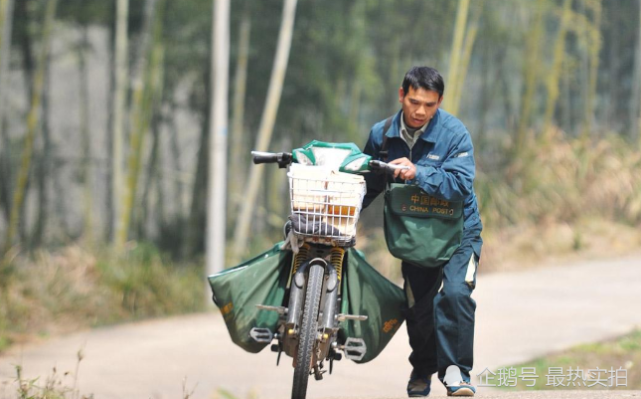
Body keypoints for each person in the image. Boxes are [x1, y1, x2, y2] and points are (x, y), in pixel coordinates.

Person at [362, 66, 483, 397]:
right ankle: (423, 366)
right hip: (414, 235)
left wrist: (418, 173)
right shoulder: (382, 135)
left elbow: (460, 185)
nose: (420, 111)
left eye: (429, 105)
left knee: (456, 294)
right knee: (419, 310)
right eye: (414, 101)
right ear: (402, 95)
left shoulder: (455, 134)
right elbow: (366, 185)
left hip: (459, 232)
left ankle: (457, 371)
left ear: (439, 102)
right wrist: (339, 214)